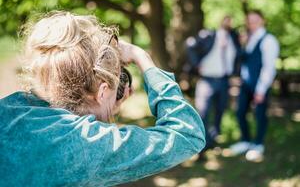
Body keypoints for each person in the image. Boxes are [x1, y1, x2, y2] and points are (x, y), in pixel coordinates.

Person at [0, 11, 205, 186]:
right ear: (102, 91)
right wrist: (141, 57)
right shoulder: (85, 142)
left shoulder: (10, 108)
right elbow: (188, 134)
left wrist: (100, 108)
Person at [229, 10, 280, 162]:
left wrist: (261, 89)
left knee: (259, 115)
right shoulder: (249, 39)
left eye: (255, 20)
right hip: (245, 84)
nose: (251, 23)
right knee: (240, 112)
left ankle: (258, 145)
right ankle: (245, 141)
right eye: (249, 20)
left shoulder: (268, 40)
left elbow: (269, 67)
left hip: (259, 85)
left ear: (262, 20)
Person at [185, 16, 240, 149]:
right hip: (207, 80)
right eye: (226, 19)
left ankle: (212, 139)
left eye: (231, 20)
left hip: (224, 81)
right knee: (203, 112)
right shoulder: (209, 35)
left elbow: (239, 57)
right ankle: (202, 144)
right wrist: (196, 64)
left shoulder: (233, 39)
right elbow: (190, 46)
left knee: (220, 111)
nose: (229, 22)